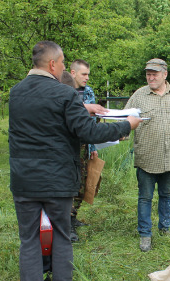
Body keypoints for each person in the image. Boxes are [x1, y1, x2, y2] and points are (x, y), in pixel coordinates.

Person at [9, 41, 141, 281]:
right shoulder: (65, 95)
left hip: (25, 180)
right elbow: (90, 133)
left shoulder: (16, 93)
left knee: (29, 240)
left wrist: (84, 109)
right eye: (62, 62)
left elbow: (47, 120)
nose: (62, 68)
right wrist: (127, 124)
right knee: (60, 233)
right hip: (57, 181)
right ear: (53, 64)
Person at [124, 58, 170, 252]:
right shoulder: (139, 95)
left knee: (166, 195)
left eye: (154, 73)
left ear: (165, 74)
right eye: (148, 73)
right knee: (145, 197)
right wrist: (120, 132)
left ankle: (165, 228)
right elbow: (124, 119)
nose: (150, 77)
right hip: (147, 157)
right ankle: (145, 233)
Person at [69, 59, 97, 242]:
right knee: (71, 183)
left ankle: (73, 217)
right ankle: (67, 225)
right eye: (83, 74)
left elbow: (92, 122)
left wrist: (93, 147)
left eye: (88, 74)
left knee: (83, 182)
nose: (87, 78)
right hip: (69, 145)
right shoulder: (63, 91)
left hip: (85, 145)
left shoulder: (88, 92)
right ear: (73, 73)